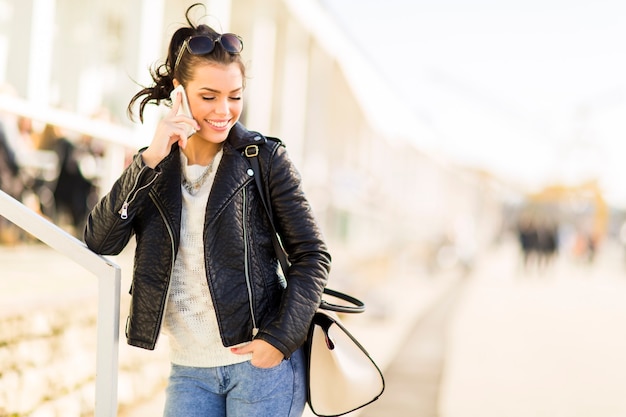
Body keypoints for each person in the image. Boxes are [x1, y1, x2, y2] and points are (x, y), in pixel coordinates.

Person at [83, 3, 331, 417]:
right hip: (189, 370)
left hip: (260, 368)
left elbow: (312, 255)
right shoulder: (154, 167)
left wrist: (280, 339)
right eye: (208, 96)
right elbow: (101, 240)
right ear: (179, 91)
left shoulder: (264, 159)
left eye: (234, 97)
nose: (223, 111)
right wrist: (152, 157)